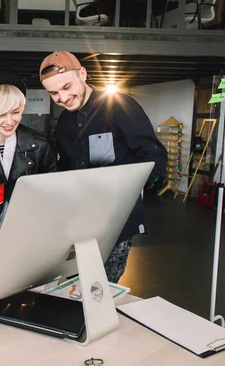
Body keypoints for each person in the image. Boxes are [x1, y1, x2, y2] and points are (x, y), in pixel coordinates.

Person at [39, 51, 168, 283]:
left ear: (83, 74)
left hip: (117, 219)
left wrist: (146, 181)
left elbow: (153, 154)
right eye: (54, 93)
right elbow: (66, 168)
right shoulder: (65, 123)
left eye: (67, 87)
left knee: (104, 287)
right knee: (75, 284)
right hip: (79, 220)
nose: (63, 97)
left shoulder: (119, 105)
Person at [0, 74, 57, 251]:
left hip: (31, 230)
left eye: (15, 112)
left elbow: (54, 191)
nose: (9, 121)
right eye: (1, 115)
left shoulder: (41, 144)